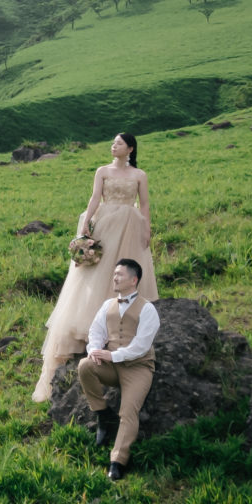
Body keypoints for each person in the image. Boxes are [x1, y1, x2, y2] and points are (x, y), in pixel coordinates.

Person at [31, 132, 155, 402]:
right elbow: (94, 198)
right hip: (106, 221)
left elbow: (144, 204)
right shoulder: (102, 171)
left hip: (130, 224)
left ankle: (125, 320)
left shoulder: (139, 175)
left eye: (119, 143)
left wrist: (147, 228)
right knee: (99, 270)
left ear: (130, 149)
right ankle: (92, 325)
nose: (114, 146)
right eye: (112, 143)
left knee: (126, 268)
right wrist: (87, 222)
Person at [79, 258, 159, 480]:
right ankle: (103, 415)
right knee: (85, 365)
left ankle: (117, 461)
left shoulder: (148, 309)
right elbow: (96, 332)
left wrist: (112, 355)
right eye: (114, 274)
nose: (114, 277)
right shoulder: (107, 305)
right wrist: (95, 350)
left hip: (138, 367)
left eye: (120, 274)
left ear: (134, 280)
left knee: (128, 412)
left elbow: (141, 345)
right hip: (112, 366)